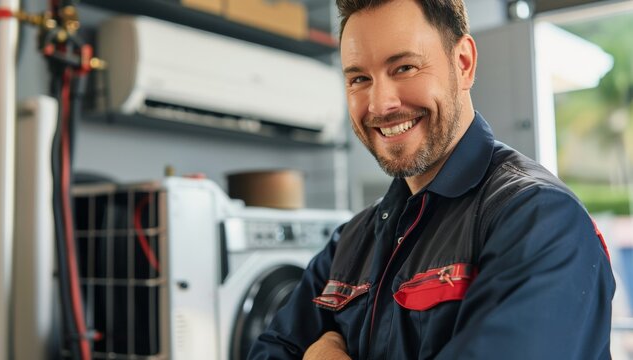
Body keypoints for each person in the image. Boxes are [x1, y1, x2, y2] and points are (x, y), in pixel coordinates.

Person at [247, 0, 615, 358]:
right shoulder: (350, 242)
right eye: (360, 78)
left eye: (404, 67)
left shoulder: (541, 219)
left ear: (464, 63)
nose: (379, 104)